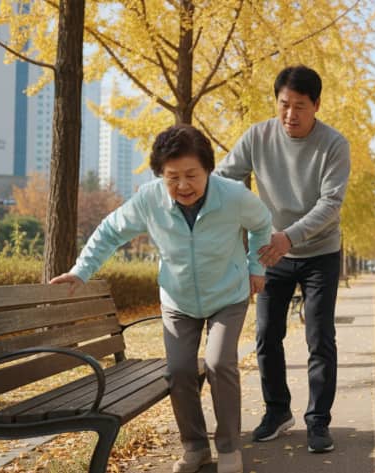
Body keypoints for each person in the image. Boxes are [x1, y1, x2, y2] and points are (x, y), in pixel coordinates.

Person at [50, 124, 271, 473]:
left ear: (208, 170)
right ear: (160, 175)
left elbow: (262, 224)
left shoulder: (233, 196)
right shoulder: (149, 199)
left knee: (219, 363)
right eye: (172, 177)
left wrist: (256, 266)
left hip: (228, 294)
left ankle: (229, 448)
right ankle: (195, 447)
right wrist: (81, 270)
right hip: (178, 300)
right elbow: (110, 231)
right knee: (180, 370)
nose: (183, 186)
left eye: (191, 175)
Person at [216, 65, 350, 454]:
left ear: (317, 105)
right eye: (284, 105)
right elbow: (224, 178)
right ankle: (277, 412)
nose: (290, 115)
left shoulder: (334, 145)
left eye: (300, 107)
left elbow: (331, 204)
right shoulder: (258, 136)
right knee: (265, 335)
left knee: (319, 337)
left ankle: (318, 421)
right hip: (270, 251)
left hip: (319, 252)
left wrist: (288, 236)